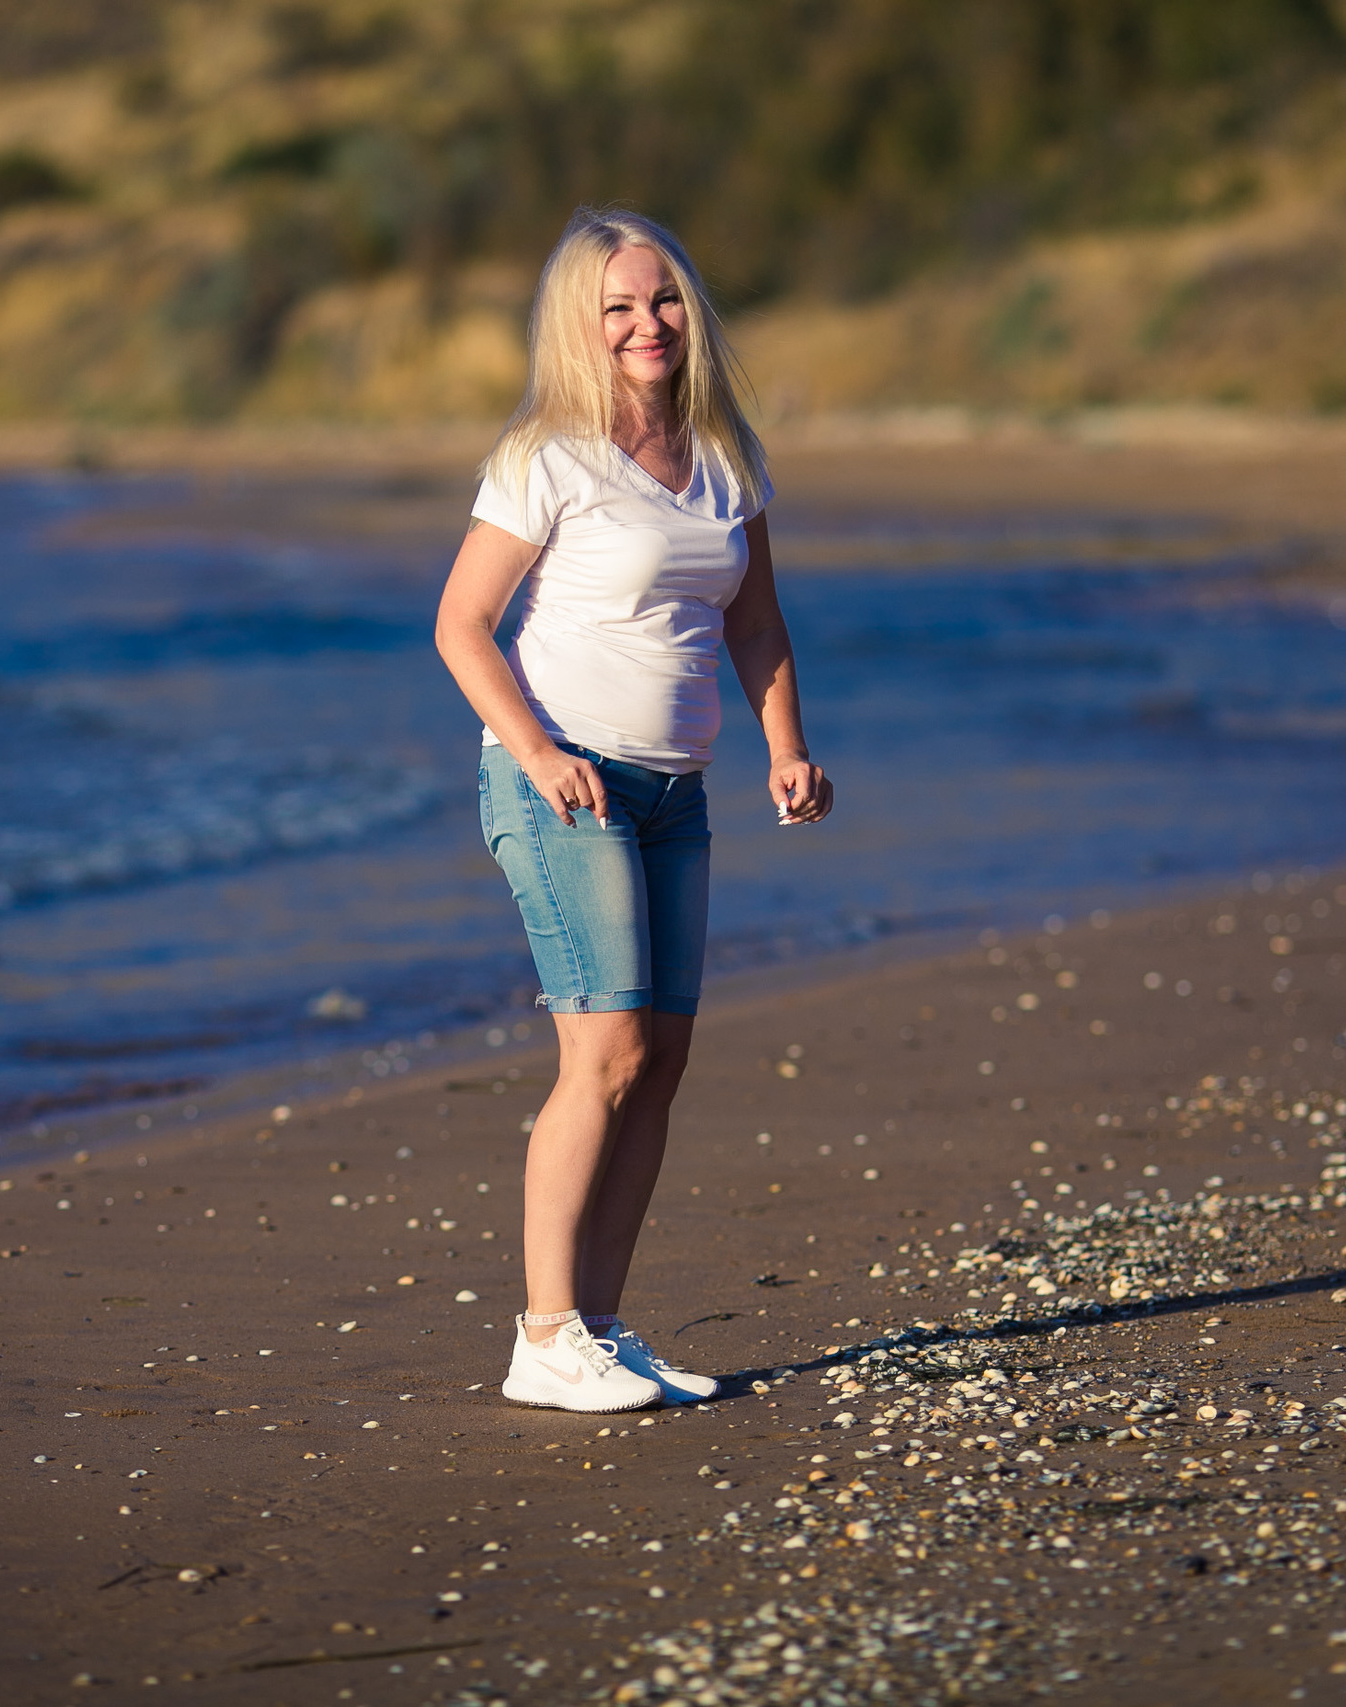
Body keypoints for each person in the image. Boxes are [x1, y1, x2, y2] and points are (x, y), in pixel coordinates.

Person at [434, 207, 832, 1414]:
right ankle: (543, 1335)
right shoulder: (545, 456)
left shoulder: (725, 453)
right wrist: (539, 749)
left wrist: (785, 748)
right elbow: (461, 626)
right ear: (580, 326)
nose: (646, 325)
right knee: (601, 1051)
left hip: (679, 789)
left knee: (656, 1061)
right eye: (616, 308)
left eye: (661, 301)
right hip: (567, 784)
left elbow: (751, 620)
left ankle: (598, 1328)